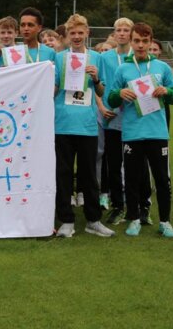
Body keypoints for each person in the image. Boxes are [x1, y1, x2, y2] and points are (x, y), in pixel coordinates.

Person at [107, 23, 173, 238]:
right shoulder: (123, 69)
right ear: (131, 41)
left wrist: (166, 91)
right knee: (131, 178)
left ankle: (165, 222)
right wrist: (120, 93)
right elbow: (110, 99)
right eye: (136, 40)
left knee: (162, 180)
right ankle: (134, 219)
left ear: (150, 42)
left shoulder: (162, 68)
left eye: (144, 41)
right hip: (132, 133)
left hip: (157, 133)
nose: (140, 45)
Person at [53, 14, 115, 238]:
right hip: (62, 123)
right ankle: (66, 221)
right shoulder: (59, 58)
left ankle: (93, 220)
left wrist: (96, 79)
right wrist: (56, 84)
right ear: (67, 35)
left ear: (87, 32)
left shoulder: (97, 58)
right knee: (64, 174)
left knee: (89, 175)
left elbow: (101, 92)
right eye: (73, 33)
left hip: (87, 124)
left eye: (81, 33)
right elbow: (53, 91)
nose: (77, 37)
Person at [99, 17, 135, 224]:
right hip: (112, 116)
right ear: (113, 34)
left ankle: (135, 206)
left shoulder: (136, 57)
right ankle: (117, 206)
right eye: (118, 30)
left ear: (131, 33)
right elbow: (100, 85)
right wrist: (103, 107)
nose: (121, 33)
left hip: (132, 117)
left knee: (133, 164)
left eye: (125, 30)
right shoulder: (106, 58)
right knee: (113, 164)